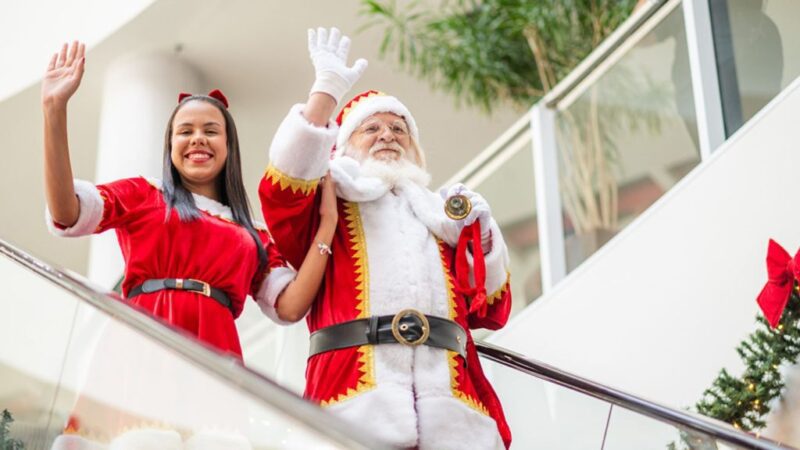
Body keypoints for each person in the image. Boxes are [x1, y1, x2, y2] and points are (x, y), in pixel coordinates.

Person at [259, 28, 513, 449]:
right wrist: (325, 94)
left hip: (449, 410)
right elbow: (281, 189)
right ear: (342, 147)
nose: (388, 135)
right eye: (371, 128)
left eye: (399, 128)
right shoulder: (328, 203)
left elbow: (489, 307)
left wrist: (481, 238)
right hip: (354, 401)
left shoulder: (440, 216)